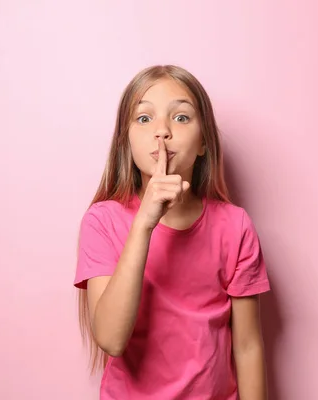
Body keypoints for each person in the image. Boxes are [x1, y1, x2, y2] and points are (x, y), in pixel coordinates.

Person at [73, 65, 270, 399]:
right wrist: (144, 225)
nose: (162, 131)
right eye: (144, 118)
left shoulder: (235, 226)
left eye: (180, 118)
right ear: (126, 141)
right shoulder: (102, 221)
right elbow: (110, 338)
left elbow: (248, 346)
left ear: (204, 142)